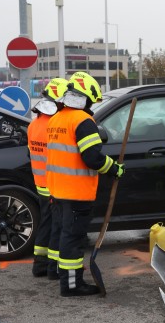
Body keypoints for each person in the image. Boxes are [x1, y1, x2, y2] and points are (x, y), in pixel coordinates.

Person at [46, 72, 125, 297]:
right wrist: (114, 168)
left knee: (65, 235)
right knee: (73, 239)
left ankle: (65, 277)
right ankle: (72, 285)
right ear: (85, 97)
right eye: (91, 101)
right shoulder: (83, 121)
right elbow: (92, 157)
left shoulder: (56, 119)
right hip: (76, 193)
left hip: (58, 191)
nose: (91, 105)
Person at [27, 77, 68, 278]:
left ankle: (40, 264)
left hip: (40, 183)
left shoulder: (34, 124)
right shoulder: (53, 125)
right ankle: (54, 268)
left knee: (46, 223)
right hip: (54, 184)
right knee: (57, 226)